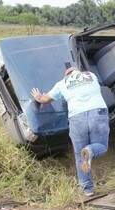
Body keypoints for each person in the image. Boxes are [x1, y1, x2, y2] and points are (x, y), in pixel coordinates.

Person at [31, 67, 109, 197]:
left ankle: (87, 189)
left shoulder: (62, 83)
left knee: (79, 155)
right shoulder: (91, 75)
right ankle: (90, 150)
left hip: (76, 117)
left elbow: (44, 100)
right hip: (97, 113)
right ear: (78, 71)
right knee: (101, 146)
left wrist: (38, 96)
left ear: (66, 75)